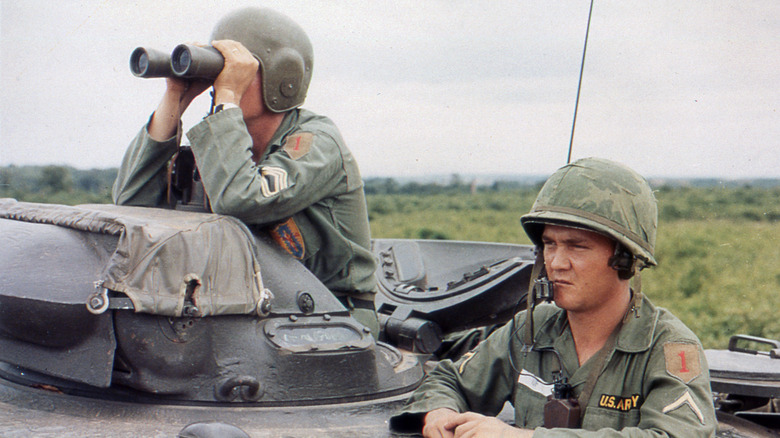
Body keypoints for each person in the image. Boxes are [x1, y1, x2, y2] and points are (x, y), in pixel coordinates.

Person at [389, 157, 716, 437]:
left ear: (624, 259)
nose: (556, 263)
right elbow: (449, 378)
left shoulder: (666, 347)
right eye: (550, 244)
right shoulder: (532, 329)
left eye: (577, 246)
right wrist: (440, 413)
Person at [112, 7, 379, 336]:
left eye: (237, 71)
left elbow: (241, 199)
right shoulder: (222, 146)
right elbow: (131, 205)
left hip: (332, 318)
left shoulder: (317, 143)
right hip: (259, 312)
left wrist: (227, 98)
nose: (222, 81)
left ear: (282, 77)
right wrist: (175, 96)